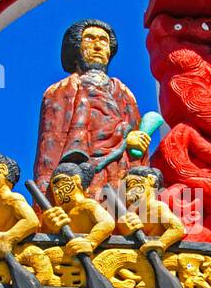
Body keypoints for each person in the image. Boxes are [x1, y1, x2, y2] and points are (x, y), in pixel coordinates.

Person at [34, 19, 148, 197]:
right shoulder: (61, 90)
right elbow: (49, 151)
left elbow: (139, 148)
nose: (97, 46)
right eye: (89, 39)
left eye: (103, 41)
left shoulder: (124, 93)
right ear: (76, 47)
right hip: (82, 178)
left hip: (123, 177)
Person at [41, 161, 117, 258]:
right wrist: (50, 227)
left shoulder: (86, 204)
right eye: (53, 188)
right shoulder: (61, 214)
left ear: (77, 180)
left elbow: (107, 223)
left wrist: (90, 242)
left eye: (61, 184)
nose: (56, 191)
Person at [117, 166, 186, 256]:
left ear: (151, 180)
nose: (128, 193)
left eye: (133, 184)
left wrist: (161, 243)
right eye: (126, 188)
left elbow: (178, 228)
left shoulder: (158, 207)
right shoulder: (132, 213)